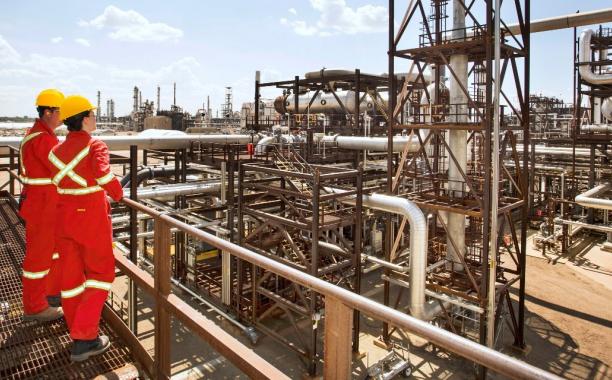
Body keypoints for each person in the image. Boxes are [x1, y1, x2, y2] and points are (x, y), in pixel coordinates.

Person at [49, 95, 123, 361]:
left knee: (71, 280)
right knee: (102, 274)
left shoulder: (55, 151)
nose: (95, 118)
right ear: (82, 119)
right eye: (92, 114)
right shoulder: (95, 145)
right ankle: (85, 337)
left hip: (63, 216)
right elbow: (104, 175)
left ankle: (76, 328)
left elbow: (54, 179)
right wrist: (119, 195)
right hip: (90, 216)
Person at [20, 89, 65, 322]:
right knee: (38, 258)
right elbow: (63, 170)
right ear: (48, 112)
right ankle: (35, 307)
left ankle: (50, 293)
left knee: (52, 253)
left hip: (45, 205)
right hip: (42, 208)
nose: (63, 116)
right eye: (60, 111)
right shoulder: (42, 139)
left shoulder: (40, 134)